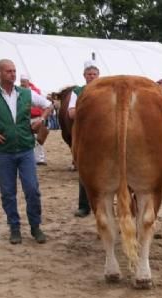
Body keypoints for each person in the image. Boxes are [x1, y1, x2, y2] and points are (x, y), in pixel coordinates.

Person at [0, 59, 52, 244]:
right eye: (8, 71)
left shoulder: (26, 93)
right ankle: (14, 228)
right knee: (8, 192)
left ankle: (35, 226)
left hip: (26, 149)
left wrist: (42, 119)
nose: (12, 74)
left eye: (14, 71)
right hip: (3, 152)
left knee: (32, 189)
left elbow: (49, 105)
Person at [68, 60, 100, 217]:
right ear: (84, 76)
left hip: (103, 136)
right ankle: (84, 206)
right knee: (84, 171)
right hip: (85, 136)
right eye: (89, 74)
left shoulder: (105, 90)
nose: (92, 77)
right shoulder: (78, 92)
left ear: (98, 75)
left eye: (94, 74)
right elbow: (71, 113)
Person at [20, 74, 48, 165]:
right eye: (21, 81)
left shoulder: (36, 92)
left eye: (24, 81)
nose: (22, 83)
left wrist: (42, 118)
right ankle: (30, 157)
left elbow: (45, 104)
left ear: (28, 82)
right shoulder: (18, 92)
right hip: (25, 118)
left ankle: (40, 158)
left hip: (36, 118)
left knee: (38, 139)